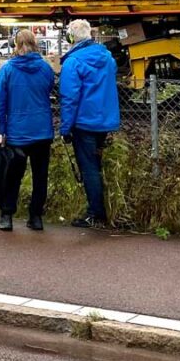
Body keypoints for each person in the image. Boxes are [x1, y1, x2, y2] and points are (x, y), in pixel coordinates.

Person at [0, 29, 56, 231]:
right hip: (42, 131)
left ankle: (7, 216)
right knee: (40, 176)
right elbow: (50, 90)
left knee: (12, 176)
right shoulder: (45, 69)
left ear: (16, 45)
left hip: (17, 133)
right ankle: (35, 217)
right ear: (35, 44)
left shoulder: (8, 69)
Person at [58, 19, 120, 228]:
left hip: (84, 123)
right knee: (96, 165)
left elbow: (69, 98)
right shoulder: (107, 57)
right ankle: (99, 210)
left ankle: (95, 213)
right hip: (104, 122)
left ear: (70, 38)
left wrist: (65, 128)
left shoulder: (72, 62)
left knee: (89, 169)